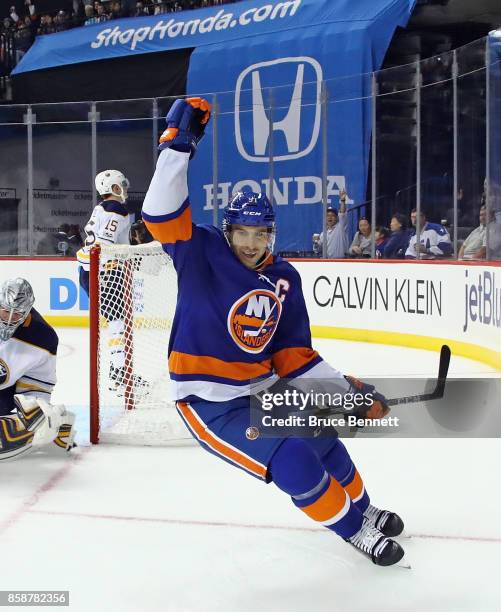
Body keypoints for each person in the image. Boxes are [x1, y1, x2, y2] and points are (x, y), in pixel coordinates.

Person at [142, 97, 406, 567]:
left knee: (325, 438)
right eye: (241, 232)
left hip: (263, 389)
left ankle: (364, 510)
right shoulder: (199, 250)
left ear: (272, 234)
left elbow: (293, 356)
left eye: (259, 233)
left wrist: (349, 391)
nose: (249, 242)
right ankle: (353, 531)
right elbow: (159, 214)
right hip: (210, 404)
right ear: (227, 231)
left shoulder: (286, 278)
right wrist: (177, 147)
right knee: (294, 461)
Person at [0, 278, 75, 461]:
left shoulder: (42, 337)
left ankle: (59, 422)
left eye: (16, 314)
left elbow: (36, 387)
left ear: (27, 311)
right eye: (4, 312)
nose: (9, 319)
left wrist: (38, 415)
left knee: (36, 419)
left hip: (5, 395)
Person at [77, 169, 132, 388]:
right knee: (118, 322)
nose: (125, 189)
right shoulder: (115, 209)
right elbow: (105, 242)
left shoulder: (100, 208)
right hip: (104, 269)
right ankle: (118, 372)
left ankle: (118, 370)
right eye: (122, 185)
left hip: (89, 269)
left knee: (115, 321)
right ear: (114, 188)